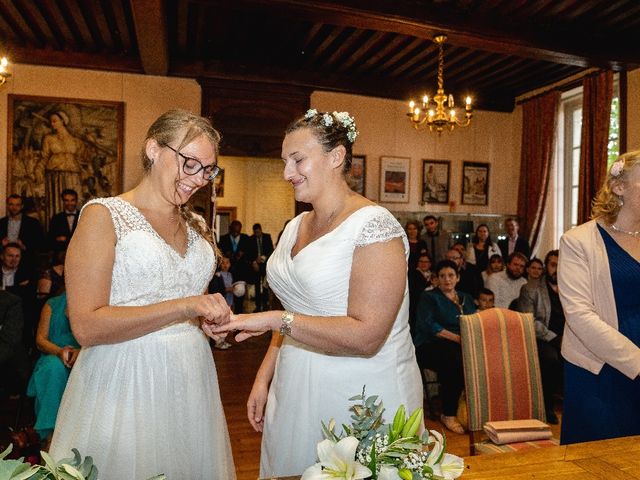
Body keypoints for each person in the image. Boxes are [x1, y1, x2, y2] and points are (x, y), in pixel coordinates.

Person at [208, 109, 422, 478]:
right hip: (294, 384)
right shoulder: (294, 226)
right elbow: (296, 309)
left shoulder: (375, 227)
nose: (286, 173)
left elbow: (367, 336)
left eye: (297, 160)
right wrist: (264, 377)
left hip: (358, 387)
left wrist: (275, 319)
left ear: (336, 156)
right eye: (284, 161)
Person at [49, 110, 236, 479]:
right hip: (124, 379)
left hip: (190, 380)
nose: (198, 179)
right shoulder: (104, 216)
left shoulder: (196, 225)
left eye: (208, 170)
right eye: (190, 163)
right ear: (153, 148)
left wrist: (208, 325)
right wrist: (185, 306)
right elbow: (85, 325)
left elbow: (187, 304)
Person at [558, 150, 640, 444]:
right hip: (598, 368)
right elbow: (579, 315)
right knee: (597, 460)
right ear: (619, 187)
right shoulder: (578, 240)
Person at [413, 260, 477, 434]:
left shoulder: (466, 298)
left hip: (462, 344)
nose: (447, 279)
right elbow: (429, 326)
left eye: (451, 275)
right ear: (436, 279)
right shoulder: (429, 297)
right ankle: (448, 414)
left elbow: (474, 321)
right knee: (455, 360)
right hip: (430, 345)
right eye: (442, 276)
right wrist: (458, 338)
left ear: (458, 278)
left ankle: (475, 409)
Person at [26, 292, 80, 448]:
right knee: (53, 368)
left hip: (84, 357)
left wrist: (81, 352)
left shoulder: (93, 304)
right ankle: (51, 436)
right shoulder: (52, 304)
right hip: (53, 355)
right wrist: (59, 352)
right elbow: (40, 340)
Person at [516, 249, 563, 424]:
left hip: (568, 336)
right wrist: (556, 338)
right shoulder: (530, 288)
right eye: (553, 265)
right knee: (551, 359)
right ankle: (546, 406)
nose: (557, 269)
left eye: (561, 265)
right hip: (541, 337)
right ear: (546, 267)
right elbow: (529, 320)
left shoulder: (571, 287)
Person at [42, 112, 86, 223]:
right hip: (55, 175)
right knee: (56, 202)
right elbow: (44, 157)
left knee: (74, 202)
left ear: (63, 121)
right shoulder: (49, 139)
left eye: (55, 121)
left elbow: (82, 159)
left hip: (73, 174)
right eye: (51, 121)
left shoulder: (76, 140)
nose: (52, 124)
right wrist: (37, 172)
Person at [248, 223, 274, 312]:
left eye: (259, 232)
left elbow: (271, 250)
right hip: (255, 265)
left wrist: (264, 257)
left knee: (265, 285)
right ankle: (258, 305)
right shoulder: (251, 239)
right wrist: (254, 261)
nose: (257, 234)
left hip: (265, 264)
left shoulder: (267, 237)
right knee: (257, 285)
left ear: (261, 230)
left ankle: (266, 303)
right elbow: (249, 254)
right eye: (256, 233)